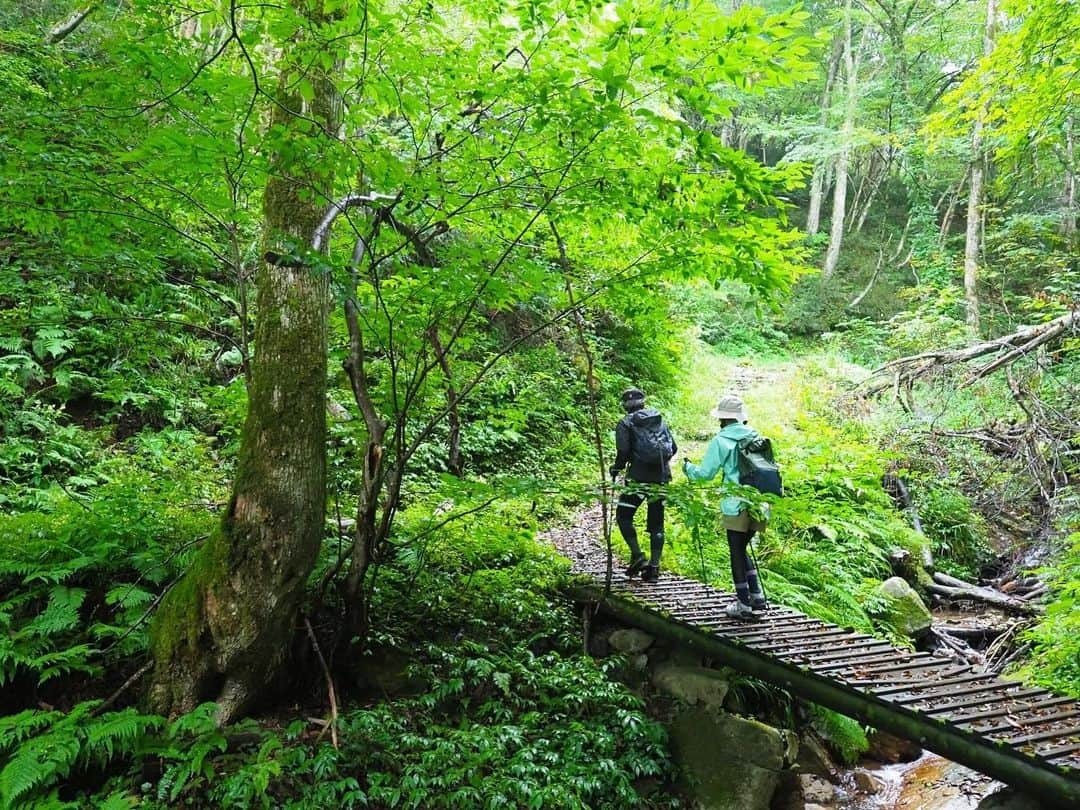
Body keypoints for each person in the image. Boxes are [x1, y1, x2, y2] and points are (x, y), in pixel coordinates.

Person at [682, 393, 769, 619]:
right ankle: (757, 598)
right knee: (741, 548)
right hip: (759, 503)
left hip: (736, 504)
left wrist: (688, 468)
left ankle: (744, 604)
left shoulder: (722, 441)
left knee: (736, 551)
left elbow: (704, 475)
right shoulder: (756, 436)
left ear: (723, 419)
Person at [610, 387, 677, 583]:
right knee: (657, 523)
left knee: (624, 515)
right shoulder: (658, 419)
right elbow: (673, 448)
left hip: (637, 478)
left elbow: (623, 451)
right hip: (662, 477)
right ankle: (654, 569)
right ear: (643, 402)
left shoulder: (625, 423)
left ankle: (638, 555)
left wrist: (617, 468)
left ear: (625, 405)